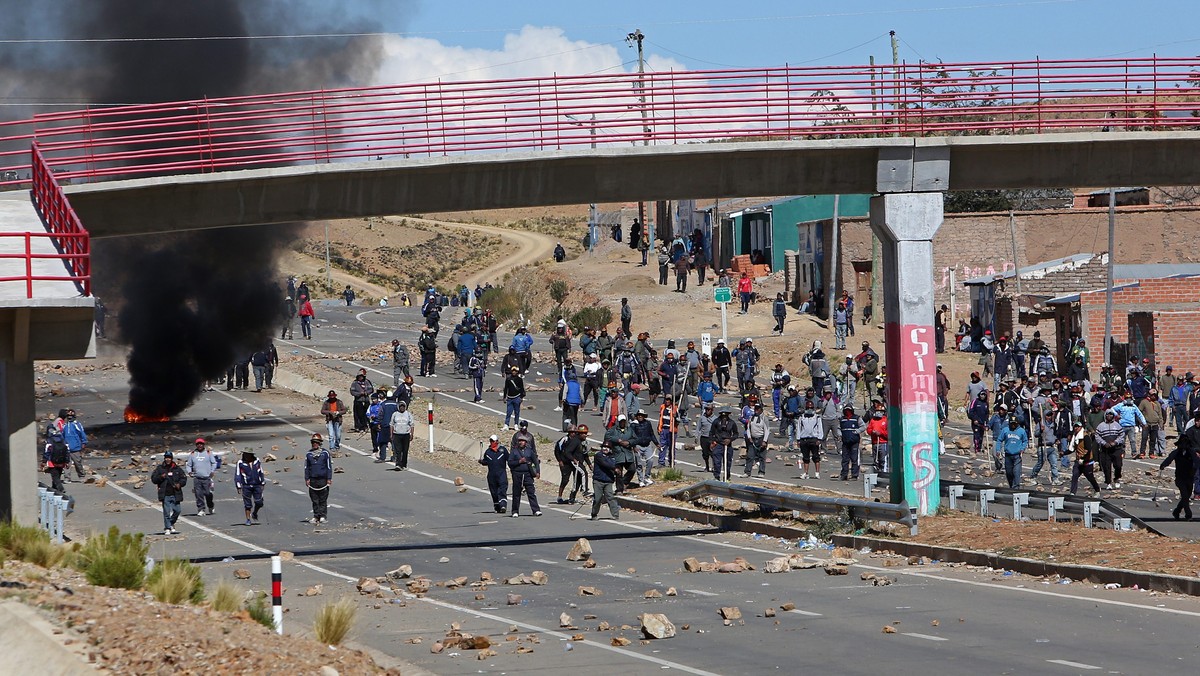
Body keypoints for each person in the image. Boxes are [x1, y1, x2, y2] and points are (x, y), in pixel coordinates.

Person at [1160, 429, 1198, 520]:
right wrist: (1163, 465)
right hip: (1180, 478)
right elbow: (1169, 459)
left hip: (1189, 476)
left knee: (1187, 495)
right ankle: (1188, 514)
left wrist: (1195, 468)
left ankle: (1176, 511)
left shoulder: (1191, 452)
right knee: (1185, 496)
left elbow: (1197, 461)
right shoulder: (1176, 452)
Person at [151, 451, 188, 535]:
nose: (168, 459)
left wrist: (180, 484)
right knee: (166, 512)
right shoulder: (160, 468)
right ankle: (167, 528)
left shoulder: (177, 469)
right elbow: (154, 479)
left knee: (177, 510)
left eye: (169, 458)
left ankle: (171, 523)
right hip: (165, 494)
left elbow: (184, 479)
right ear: (164, 458)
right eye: (166, 458)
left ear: (171, 459)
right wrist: (161, 477)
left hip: (175, 493)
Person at [507, 436, 542, 517]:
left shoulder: (529, 451)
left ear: (526, 443)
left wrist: (537, 472)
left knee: (531, 492)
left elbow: (536, 462)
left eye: (523, 441)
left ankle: (536, 510)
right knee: (516, 493)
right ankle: (515, 511)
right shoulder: (514, 452)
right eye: (519, 441)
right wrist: (519, 461)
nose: (521, 442)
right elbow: (510, 463)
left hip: (528, 474)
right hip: (517, 474)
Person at [185, 438, 220, 516]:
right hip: (197, 478)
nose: (199, 445)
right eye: (198, 444)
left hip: (207, 478)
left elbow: (214, 463)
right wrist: (189, 471)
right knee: (198, 494)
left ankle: (210, 505)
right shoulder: (193, 454)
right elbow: (189, 465)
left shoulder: (208, 453)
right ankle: (201, 509)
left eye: (201, 444)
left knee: (208, 493)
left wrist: (212, 471)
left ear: (204, 444)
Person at [304, 433, 333, 524]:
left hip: (323, 479)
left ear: (320, 443)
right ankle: (316, 516)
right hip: (313, 480)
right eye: (313, 442)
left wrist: (329, 478)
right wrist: (307, 478)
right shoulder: (308, 454)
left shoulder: (325, 453)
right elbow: (307, 467)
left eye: (316, 442)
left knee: (323, 499)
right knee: (314, 499)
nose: (314, 444)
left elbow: (329, 467)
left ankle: (323, 516)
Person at [603, 414, 636, 493]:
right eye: (621, 422)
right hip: (618, 454)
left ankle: (624, 482)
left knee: (632, 469)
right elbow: (607, 437)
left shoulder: (629, 430)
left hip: (628, 454)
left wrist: (628, 442)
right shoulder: (613, 430)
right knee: (618, 472)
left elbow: (635, 439)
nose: (622, 423)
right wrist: (618, 440)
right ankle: (619, 489)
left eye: (624, 421)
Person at [1068, 421, 1102, 496]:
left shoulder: (1085, 436)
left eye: (1077, 426)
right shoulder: (1075, 437)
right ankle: (1072, 493)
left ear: (1081, 428)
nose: (1076, 428)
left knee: (1090, 477)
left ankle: (1097, 490)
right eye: (1075, 426)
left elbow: (1088, 449)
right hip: (1078, 461)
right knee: (1075, 476)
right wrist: (1064, 453)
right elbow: (1072, 448)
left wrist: (1083, 459)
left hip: (1087, 461)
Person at [479, 435, 510, 513]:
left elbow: (509, 459)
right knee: (494, 491)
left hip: (501, 474)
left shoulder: (503, 450)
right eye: (491, 441)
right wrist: (482, 462)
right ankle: (497, 506)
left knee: (502, 490)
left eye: (494, 441)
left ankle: (503, 505)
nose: (493, 442)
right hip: (491, 475)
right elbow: (486, 462)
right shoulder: (488, 452)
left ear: (497, 441)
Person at [590, 443, 621, 521]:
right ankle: (594, 514)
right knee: (598, 498)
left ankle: (615, 514)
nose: (605, 449)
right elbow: (605, 464)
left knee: (610, 497)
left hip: (608, 481)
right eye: (604, 447)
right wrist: (615, 468)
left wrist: (617, 471)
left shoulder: (613, 457)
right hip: (598, 481)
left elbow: (617, 465)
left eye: (607, 447)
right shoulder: (598, 456)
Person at [234, 450, 266, 526]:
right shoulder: (240, 463)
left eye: (248, 454)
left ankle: (254, 513)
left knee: (259, 502)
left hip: (257, 485)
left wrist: (262, 482)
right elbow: (238, 475)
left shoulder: (257, 461)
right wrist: (238, 486)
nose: (246, 456)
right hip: (246, 486)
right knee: (247, 504)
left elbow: (260, 471)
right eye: (245, 454)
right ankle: (248, 519)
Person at [997, 416, 1028, 489]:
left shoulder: (1021, 431)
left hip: (1017, 455)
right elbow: (999, 440)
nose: (1013, 425)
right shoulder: (1005, 430)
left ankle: (1016, 488)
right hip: (1008, 455)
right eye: (1012, 423)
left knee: (1016, 472)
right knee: (1009, 473)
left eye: (1015, 424)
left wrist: (1023, 448)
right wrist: (998, 450)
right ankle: (1011, 486)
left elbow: (1025, 441)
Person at [631, 409, 658, 487]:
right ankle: (641, 480)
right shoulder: (633, 425)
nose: (640, 416)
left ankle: (647, 477)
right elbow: (631, 437)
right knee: (639, 463)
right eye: (638, 415)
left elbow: (652, 434)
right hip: (638, 446)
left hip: (647, 445)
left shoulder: (648, 423)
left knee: (650, 460)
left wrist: (656, 443)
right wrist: (633, 446)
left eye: (641, 415)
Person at [796, 401, 823, 479]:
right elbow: (799, 428)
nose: (809, 409)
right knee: (805, 457)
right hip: (804, 439)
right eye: (808, 408)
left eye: (811, 408)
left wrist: (819, 439)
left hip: (814, 439)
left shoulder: (817, 417)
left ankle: (817, 473)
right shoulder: (802, 417)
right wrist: (798, 439)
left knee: (816, 457)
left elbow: (820, 428)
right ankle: (806, 473)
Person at [711, 408, 739, 481]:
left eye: (726, 415)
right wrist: (714, 441)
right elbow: (711, 433)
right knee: (717, 461)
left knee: (728, 462)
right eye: (722, 415)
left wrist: (730, 439)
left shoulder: (732, 423)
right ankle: (716, 476)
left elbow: (736, 434)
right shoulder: (716, 422)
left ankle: (727, 477)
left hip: (728, 445)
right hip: (718, 444)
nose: (724, 417)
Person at [837, 406, 864, 480]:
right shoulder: (842, 419)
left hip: (854, 441)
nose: (847, 412)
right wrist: (840, 434)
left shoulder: (856, 418)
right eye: (846, 410)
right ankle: (844, 475)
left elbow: (863, 426)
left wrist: (857, 431)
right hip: (845, 441)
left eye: (849, 410)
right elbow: (838, 428)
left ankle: (854, 475)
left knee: (854, 459)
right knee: (845, 459)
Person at [61, 409, 88, 480]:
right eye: (68, 416)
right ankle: (67, 477)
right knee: (67, 464)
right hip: (67, 448)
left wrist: (84, 442)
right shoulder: (65, 426)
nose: (69, 417)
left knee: (77, 463)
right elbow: (62, 436)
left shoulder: (77, 425)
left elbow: (82, 434)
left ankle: (81, 476)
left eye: (71, 416)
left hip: (75, 448)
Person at [42, 427, 70, 493]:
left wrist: (44, 461)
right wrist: (67, 461)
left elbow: (47, 452)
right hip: (62, 461)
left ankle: (60, 488)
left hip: (52, 461)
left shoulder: (49, 440)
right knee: (58, 474)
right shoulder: (63, 440)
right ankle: (54, 488)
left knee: (54, 476)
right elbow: (67, 452)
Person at [390, 401, 415, 470]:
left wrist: (411, 434)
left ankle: (404, 464)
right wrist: (391, 434)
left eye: (403, 406)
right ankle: (398, 464)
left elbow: (412, 425)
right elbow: (391, 424)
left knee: (405, 450)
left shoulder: (408, 414)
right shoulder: (395, 414)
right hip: (397, 434)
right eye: (400, 406)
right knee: (398, 450)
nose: (402, 408)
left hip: (406, 435)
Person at [502, 366, 526, 430]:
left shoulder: (519, 379)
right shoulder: (508, 379)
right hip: (509, 398)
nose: (514, 372)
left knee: (517, 412)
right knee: (508, 412)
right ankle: (506, 424)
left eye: (515, 371)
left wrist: (521, 397)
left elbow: (521, 389)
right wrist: (504, 397)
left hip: (516, 397)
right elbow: (506, 388)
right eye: (513, 371)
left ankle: (516, 424)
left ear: (517, 372)